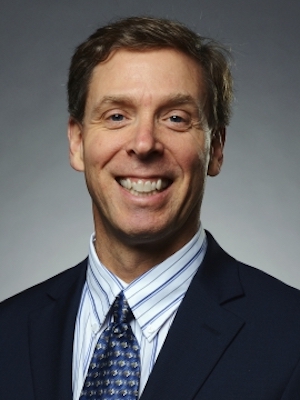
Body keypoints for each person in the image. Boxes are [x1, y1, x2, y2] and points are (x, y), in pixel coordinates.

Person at [0, 16, 300, 400]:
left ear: (216, 148)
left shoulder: (291, 338)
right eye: (117, 116)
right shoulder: (7, 331)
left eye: (175, 118)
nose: (143, 144)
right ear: (77, 142)